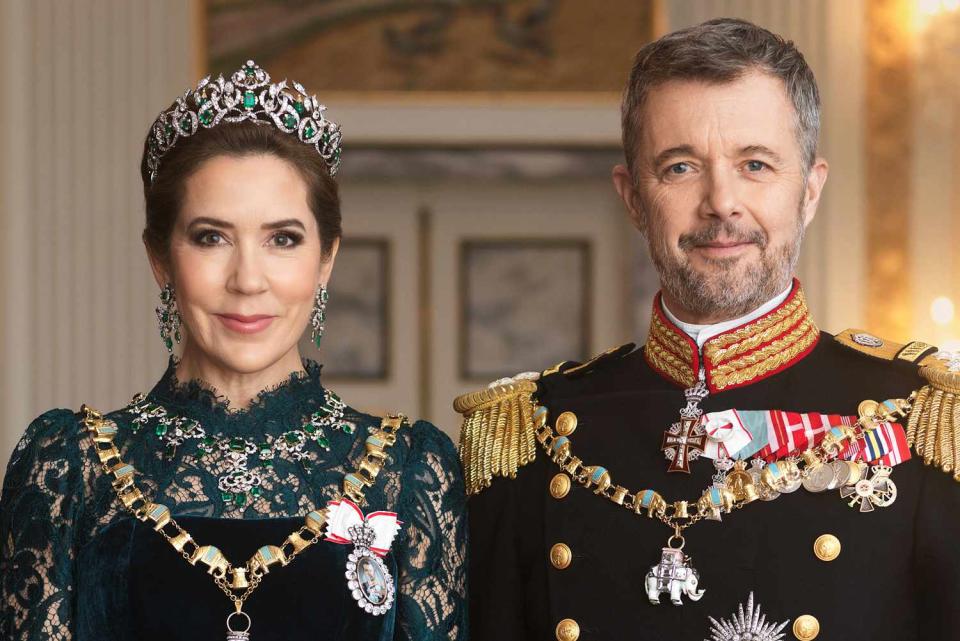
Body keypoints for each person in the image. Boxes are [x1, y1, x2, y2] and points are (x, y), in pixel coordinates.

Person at [457, 18, 960, 641]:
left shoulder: (923, 414)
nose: (721, 202)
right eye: (679, 168)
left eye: (755, 164)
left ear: (809, 190)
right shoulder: (529, 430)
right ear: (633, 198)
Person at [0, 61, 467, 641]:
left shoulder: (410, 467)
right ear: (161, 259)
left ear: (326, 260)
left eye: (283, 239)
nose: (248, 279)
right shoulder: (67, 465)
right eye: (211, 237)